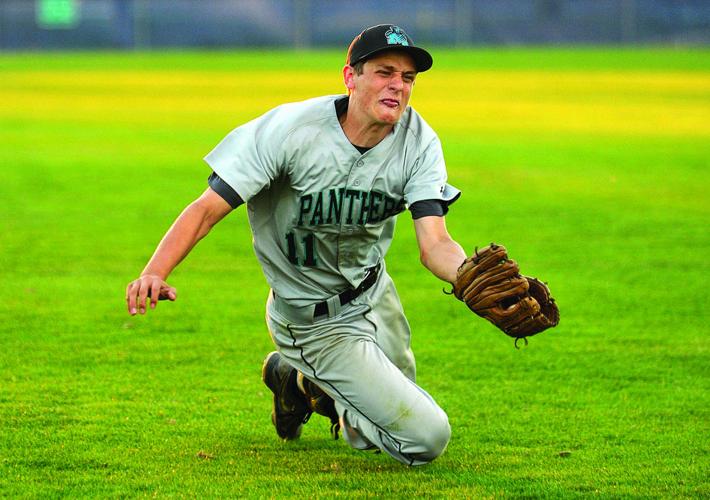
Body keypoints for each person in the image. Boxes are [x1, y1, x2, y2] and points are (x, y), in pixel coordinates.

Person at [125, 24, 468, 466]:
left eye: (407, 78)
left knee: (376, 429)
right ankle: (303, 375)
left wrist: (467, 278)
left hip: (374, 293)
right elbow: (207, 208)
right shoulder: (289, 131)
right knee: (426, 438)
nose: (398, 86)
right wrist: (155, 270)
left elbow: (434, 242)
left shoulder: (418, 141)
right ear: (350, 76)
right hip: (311, 318)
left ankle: (299, 381)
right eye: (385, 73)